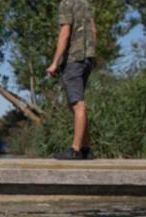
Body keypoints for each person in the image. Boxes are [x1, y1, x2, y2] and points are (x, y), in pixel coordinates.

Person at [47, 0, 97, 160]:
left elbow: (65, 33)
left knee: (77, 105)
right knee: (77, 104)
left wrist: (55, 62)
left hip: (73, 60)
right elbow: (94, 31)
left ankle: (75, 150)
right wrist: (91, 55)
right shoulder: (86, 4)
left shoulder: (66, 4)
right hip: (87, 58)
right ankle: (86, 148)